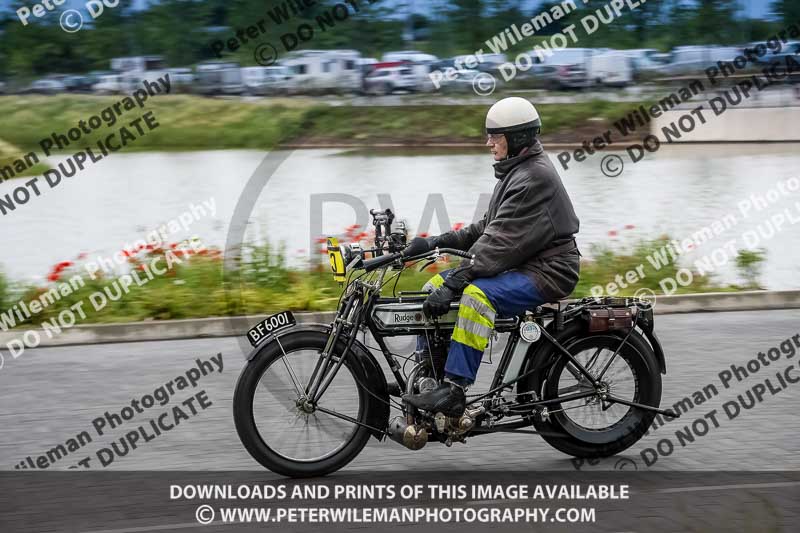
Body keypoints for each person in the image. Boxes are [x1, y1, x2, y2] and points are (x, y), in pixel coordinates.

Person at [402, 96, 581, 417]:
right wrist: (432, 243)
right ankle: (431, 376)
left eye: (495, 137)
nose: (489, 143)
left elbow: (497, 244)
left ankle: (454, 389)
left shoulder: (533, 178)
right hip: (526, 265)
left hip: (549, 271)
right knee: (433, 286)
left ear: (518, 139)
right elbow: (485, 228)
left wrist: (457, 279)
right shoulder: (516, 172)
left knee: (475, 296)